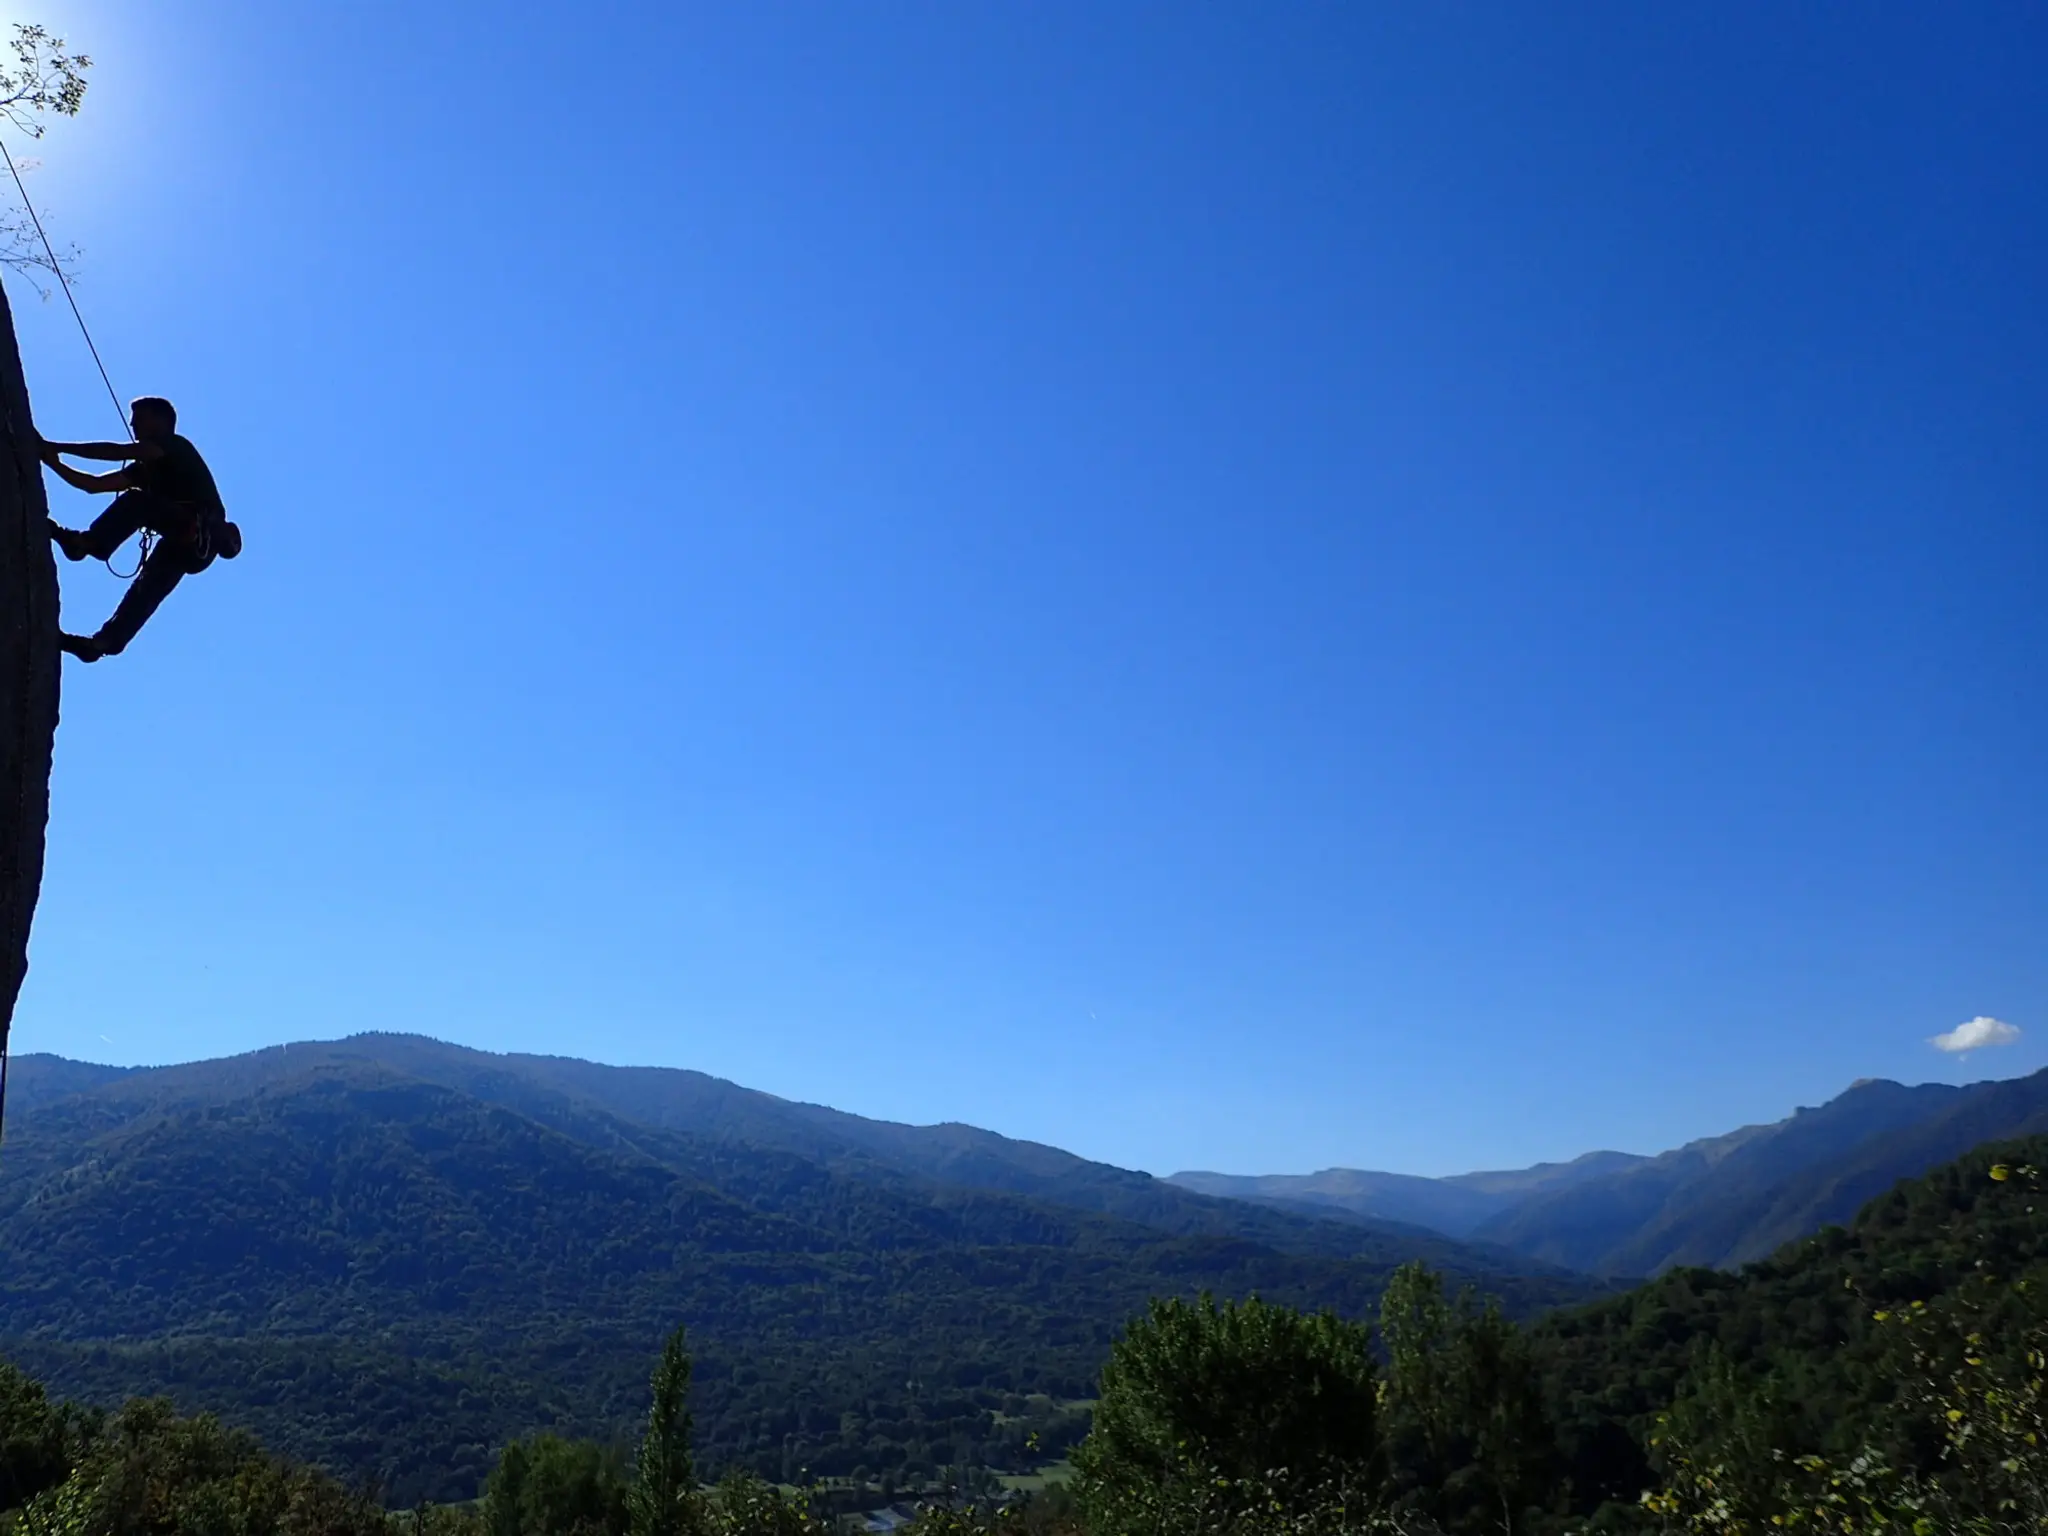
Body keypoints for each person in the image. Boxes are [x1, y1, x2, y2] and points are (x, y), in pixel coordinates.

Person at [39, 396, 241, 661]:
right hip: (188, 545)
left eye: (140, 418)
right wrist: (52, 462)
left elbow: (117, 452)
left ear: (161, 421)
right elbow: (93, 485)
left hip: (199, 530)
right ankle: (100, 644)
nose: (133, 424)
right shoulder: (146, 470)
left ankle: (87, 543)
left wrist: (54, 447)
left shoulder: (174, 445)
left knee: (137, 502)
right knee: (147, 590)